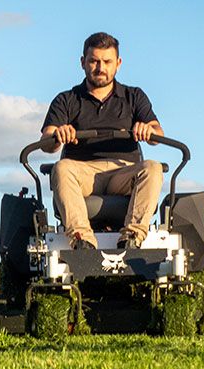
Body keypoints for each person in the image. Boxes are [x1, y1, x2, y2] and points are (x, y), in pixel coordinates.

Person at [41, 32, 164, 250]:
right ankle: (82, 240)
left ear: (118, 64)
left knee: (153, 167)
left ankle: (132, 238)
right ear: (83, 63)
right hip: (83, 174)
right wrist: (58, 134)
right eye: (94, 61)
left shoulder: (134, 97)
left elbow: (158, 134)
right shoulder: (66, 100)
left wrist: (148, 129)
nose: (100, 67)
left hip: (124, 172)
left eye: (107, 61)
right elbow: (46, 141)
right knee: (61, 168)